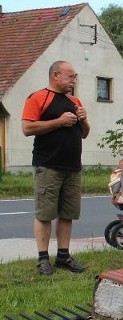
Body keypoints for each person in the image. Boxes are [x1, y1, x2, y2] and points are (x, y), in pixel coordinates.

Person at [21, 60, 90, 275]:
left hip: (72, 166)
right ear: (56, 76)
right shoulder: (38, 97)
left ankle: (63, 256)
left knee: (67, 213)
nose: (74, 80)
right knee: (45, 214)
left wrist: (84, 120)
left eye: (75, 77)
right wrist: (58, 122)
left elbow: (84, 133)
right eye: (70, 76)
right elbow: (27, 128)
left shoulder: (74, 100)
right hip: (48, 165)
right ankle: (43, 259)